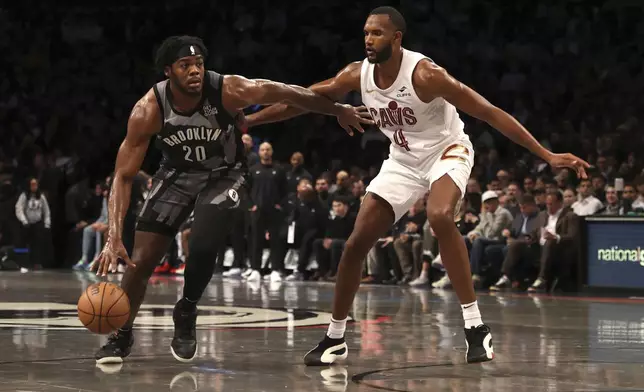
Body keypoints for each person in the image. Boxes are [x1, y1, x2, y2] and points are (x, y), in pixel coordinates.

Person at [246, 6, 589, 365]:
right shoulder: (356, 74)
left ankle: (475, 326)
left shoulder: (425, 74)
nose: (368, 39)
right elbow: (301, 99)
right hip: (403, 159)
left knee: (439, 216)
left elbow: (488, 111)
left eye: (376, 33)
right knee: (355, 244)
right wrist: (250, 123)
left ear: (397, 38)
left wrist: (546, 154)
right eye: (365, 32)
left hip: (447, 149)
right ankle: (335, 338)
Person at [91, 35, 372, 365]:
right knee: (141, 261)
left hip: (226, 173)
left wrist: (337, 108)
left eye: (199, 64)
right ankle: (122, 334)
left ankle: (187, 309)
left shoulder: (229, 89)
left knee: (205, 243)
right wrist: (112, 235)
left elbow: (290, 93)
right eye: (185, 66)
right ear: (169, 72)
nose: (195, 71)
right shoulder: (148, 109)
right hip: (176, 175)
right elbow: (123, 176)